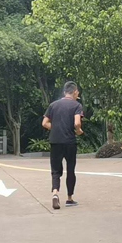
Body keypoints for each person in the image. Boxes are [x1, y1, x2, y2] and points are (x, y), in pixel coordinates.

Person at [42, 81, 84, 210]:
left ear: (64, 92)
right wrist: (78, 131)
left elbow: (44, 123)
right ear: (75, 92)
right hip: (69, 142)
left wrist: (56, 128)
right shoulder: (76, 105)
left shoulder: (53, 105)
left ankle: (55, 193)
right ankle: (69, 198)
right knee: (70, 169)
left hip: (55, 141)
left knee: (55, 170)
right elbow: (77, 123)